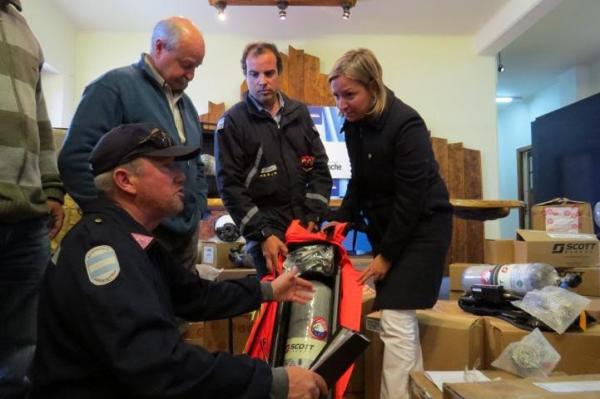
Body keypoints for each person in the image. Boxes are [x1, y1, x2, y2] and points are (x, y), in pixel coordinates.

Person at [31, 123, 328, 399]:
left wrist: (269, 291)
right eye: (165, 165)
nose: (180, 175)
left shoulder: (132, 239)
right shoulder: (105, 249)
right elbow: (156, 365)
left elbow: (195, 295)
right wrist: (271, 382)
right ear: (125, 180)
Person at [328, 49, 453, 399]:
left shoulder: (406, 124)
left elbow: (411, 199)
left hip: (424, 226)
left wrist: (385, 255)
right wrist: (341, 222)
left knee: (396, 318)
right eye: (336, 96)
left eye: (349, 94)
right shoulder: (354, 126)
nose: (341, 104)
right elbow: (359, 181)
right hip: (393, 228)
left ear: (373, 86)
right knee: (400, 323)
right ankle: (418, 393)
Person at [58, 16, 207, 271]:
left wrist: (197, 209)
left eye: (196, 67)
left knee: (182, 307)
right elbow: (75, 158)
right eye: (186, 64)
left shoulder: (187, 105)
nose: (191, 75)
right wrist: (114, 221)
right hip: (137, 237)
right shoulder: (113, 87)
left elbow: (197, 166)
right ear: (159, 47)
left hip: (182, 239)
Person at [215, 42, 332, 278]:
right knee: (276, 306)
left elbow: (320, 167)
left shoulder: (299, 113)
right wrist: (262, 235)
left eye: (269, 73)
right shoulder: (232, 122)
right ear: (245, 75)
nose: (262, 81)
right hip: (266, 233)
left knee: (311, 299)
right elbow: (230, 186)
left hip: (304, 226)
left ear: (279, 73)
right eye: (254, 74)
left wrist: (313, 215)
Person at [0, 1, 65, 397]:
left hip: (26, 219)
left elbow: (40, 120)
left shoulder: (23, 29)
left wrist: (52, 186)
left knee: (23, 348)